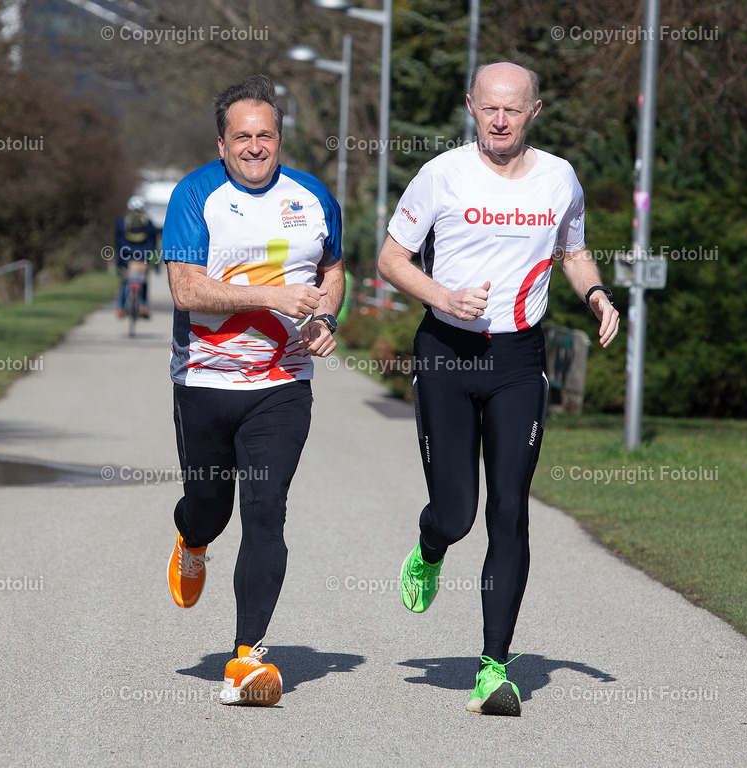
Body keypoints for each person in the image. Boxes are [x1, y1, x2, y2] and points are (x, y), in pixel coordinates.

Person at [377, 62, 619, 717]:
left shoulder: (559, 178)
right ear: (471, 107)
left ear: (535, 110)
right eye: (489, 109)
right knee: (456, 513)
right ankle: (430, 548)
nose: (501, 121)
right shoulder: (443, 175)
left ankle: (494, 669)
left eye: (513, 109)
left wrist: (595, 292)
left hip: (518, 359)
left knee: (509, 509)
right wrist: (444, 297)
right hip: (448, 354)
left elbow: (573, 250)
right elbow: (391, 259)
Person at [162, 74, 344, 707]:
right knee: (211, 508)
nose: (254, 145)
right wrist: (272, 295)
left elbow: (332, 269)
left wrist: (325, 319)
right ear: (222, 143)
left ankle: (247, 659)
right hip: (205, 382)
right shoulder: (194, 195)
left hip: (282, 385)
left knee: (266, 511)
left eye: (265, 134)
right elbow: (186, 291)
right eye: (242, 136)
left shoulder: (314, 196)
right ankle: (191, 539)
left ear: (279, 138)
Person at [115, 195, 157, 319]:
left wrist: (119, 259)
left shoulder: (122, 221)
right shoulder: (148, 221)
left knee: (125, 280)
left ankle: (121, 308)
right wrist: (150, 255)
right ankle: (143, 305)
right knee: (142, 280)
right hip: (143, 254)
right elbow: (153, 240)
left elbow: (118, 240)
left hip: (126, 253)